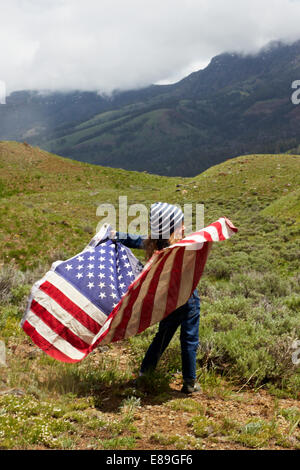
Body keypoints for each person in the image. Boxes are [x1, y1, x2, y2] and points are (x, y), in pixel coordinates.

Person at [114, 202, 212, 394]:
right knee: (189, 340)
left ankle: (144, 374)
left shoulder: (154, 243)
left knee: (162, 337)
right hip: (188, 300)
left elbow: (134, 240)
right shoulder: (181, 248)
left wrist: (114, 236)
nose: (184, 227)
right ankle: (190, 382)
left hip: (169, 301)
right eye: (181, 223)